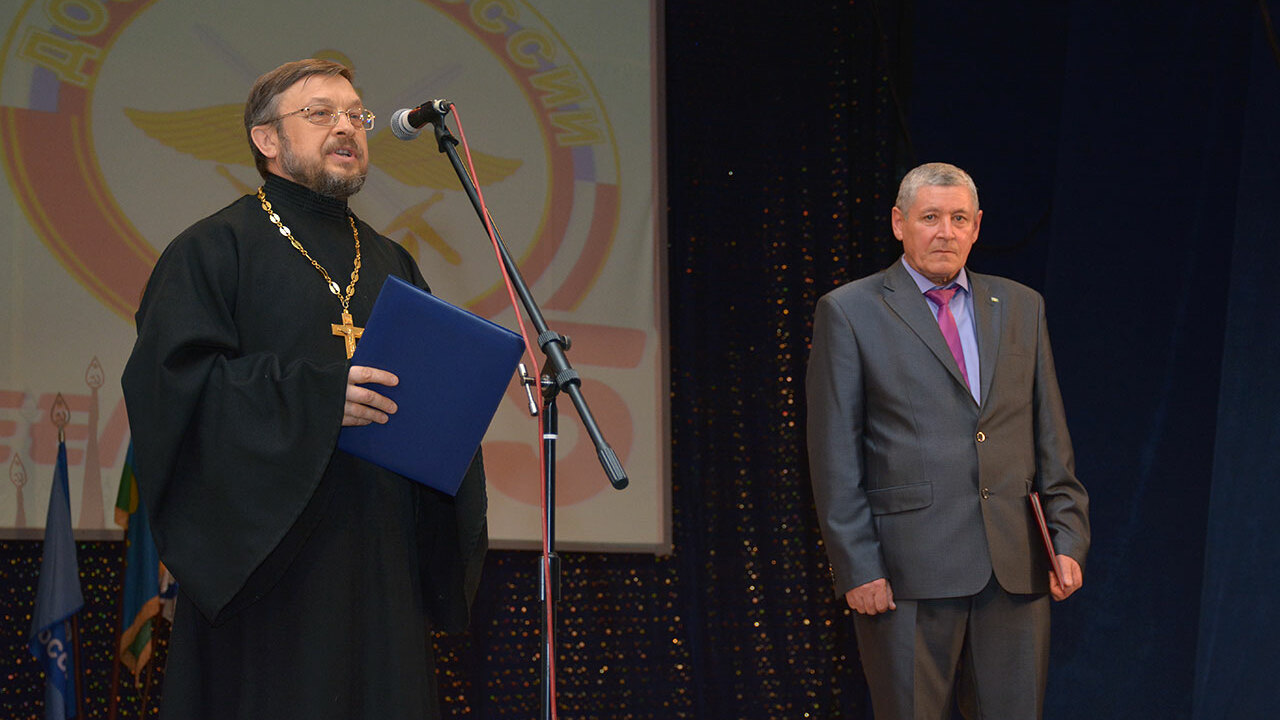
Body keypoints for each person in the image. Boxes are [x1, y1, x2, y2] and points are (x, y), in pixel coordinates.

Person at [121, 58, 487, 719]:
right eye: (321, 114)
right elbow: (173, 388)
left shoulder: (392, 262)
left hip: (381, 567)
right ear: (266, 139)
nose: (347, 127)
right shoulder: (213, 250)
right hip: (268, 576)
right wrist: (318, 398)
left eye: (356, 115)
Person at [806, 162, 1090, 718]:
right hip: (906, 573)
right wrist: (858, 566)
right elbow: (833, 454)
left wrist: (1067, 537)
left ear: (977, 226)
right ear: (899, 223)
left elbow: (1051, 436)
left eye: (959, 219)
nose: (945, 232)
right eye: (930, 217)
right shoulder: (849, 311)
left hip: (1015, 569)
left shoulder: (1021, 306)